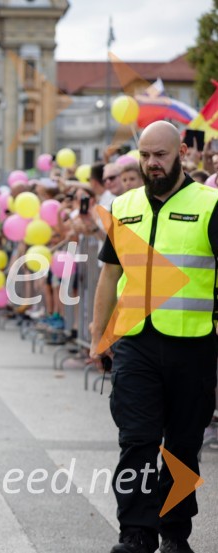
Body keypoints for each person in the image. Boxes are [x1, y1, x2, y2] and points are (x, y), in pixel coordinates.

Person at [91, 121, 218, 553]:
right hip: (135, 345)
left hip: (194, 345)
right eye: (145, 155)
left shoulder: (209, 204)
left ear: (181, 152)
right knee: (138, 441)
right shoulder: (124, 206)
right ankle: (136, 532)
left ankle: (174, 531)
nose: (151, 164)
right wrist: (97, 336)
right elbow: (109, 275)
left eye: (160, 155)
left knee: (182, 447)